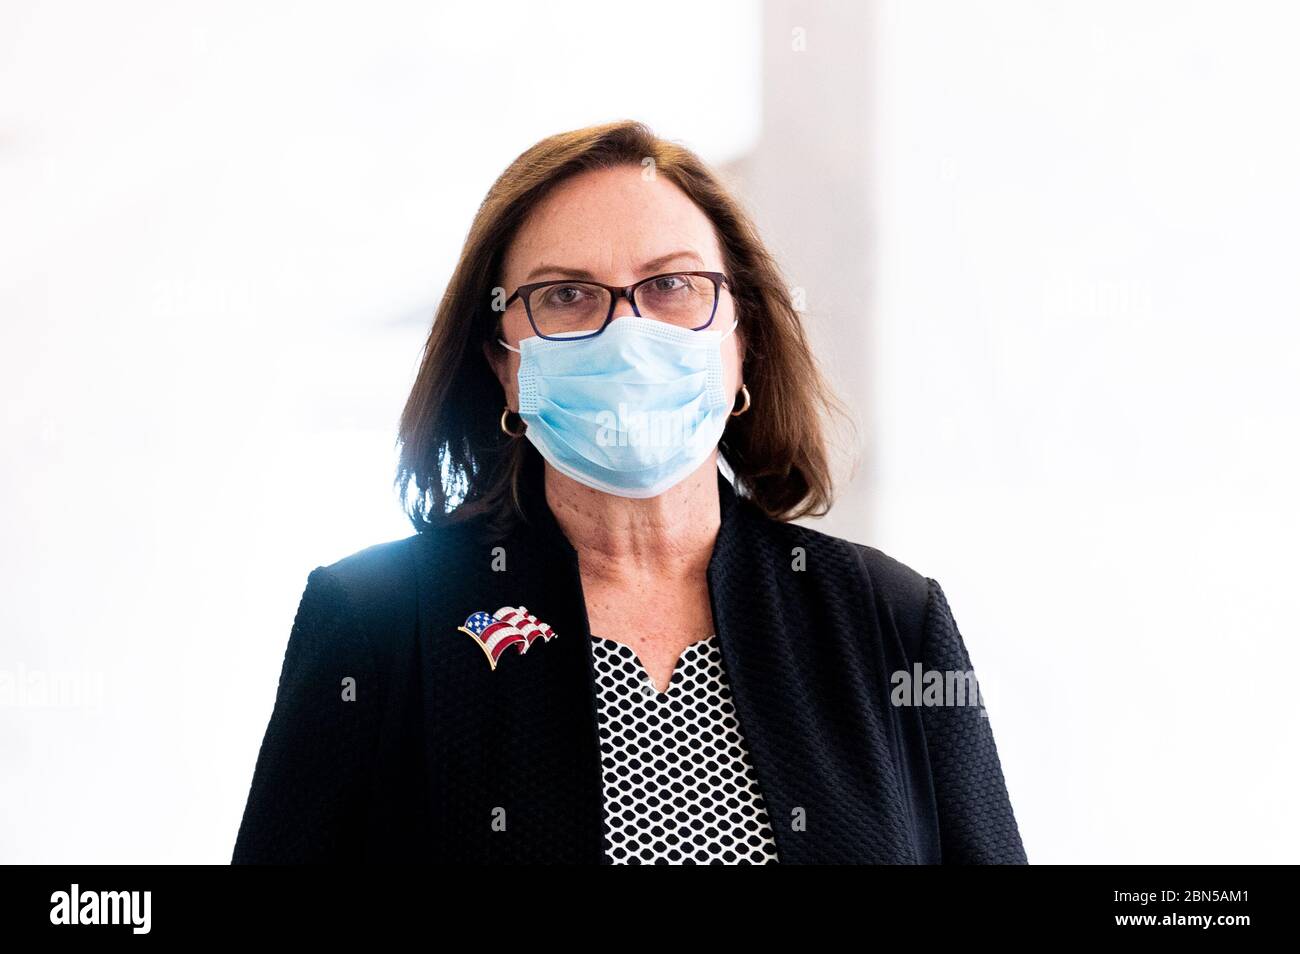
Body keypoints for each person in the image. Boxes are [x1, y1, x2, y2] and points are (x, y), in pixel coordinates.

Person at [231, 119, 1028, 864]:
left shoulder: (890, 620)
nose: (627, 334)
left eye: (672, 285)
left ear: (740, 337)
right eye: (566, 295)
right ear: (503, 363)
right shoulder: (375, 623)